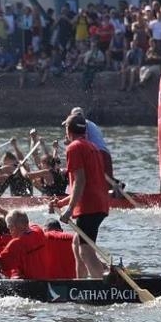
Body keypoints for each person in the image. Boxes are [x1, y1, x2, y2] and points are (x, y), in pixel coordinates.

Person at [53, 112, 109, 279]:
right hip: (99, 204)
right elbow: (87, 183)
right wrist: (62, 203)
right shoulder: (91, 146)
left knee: (86, 251)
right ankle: (80, 284)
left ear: (69, 131)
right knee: (77, 245)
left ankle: (101, 288)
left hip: (89, 207)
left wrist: (69, 209)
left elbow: (81, 181)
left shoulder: (74, 147)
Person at [0, 208, 48, 279]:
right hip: (44, 280)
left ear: (19, 226)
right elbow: (22, 220)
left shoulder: (17, 243)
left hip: (26, 284)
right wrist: (0, 209)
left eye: (10, 227)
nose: (10, 231)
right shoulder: (38, 230)